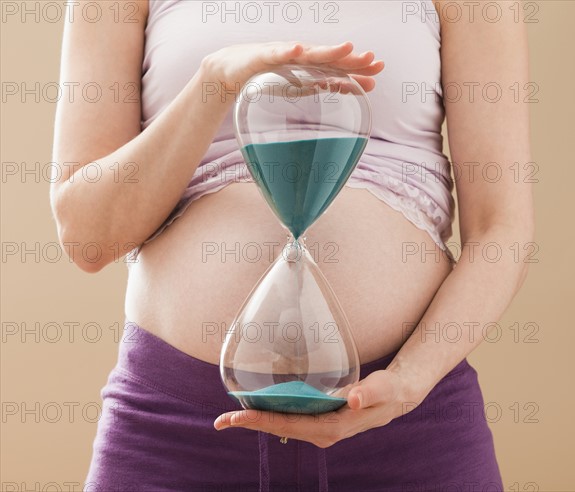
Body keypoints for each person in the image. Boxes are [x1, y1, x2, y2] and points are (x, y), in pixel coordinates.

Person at [51, 0, 533, 490]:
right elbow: (88, 238)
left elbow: (501, 230)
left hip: (406, 420)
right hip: (175, 426)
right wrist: (214, 85)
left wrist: (410, 381)